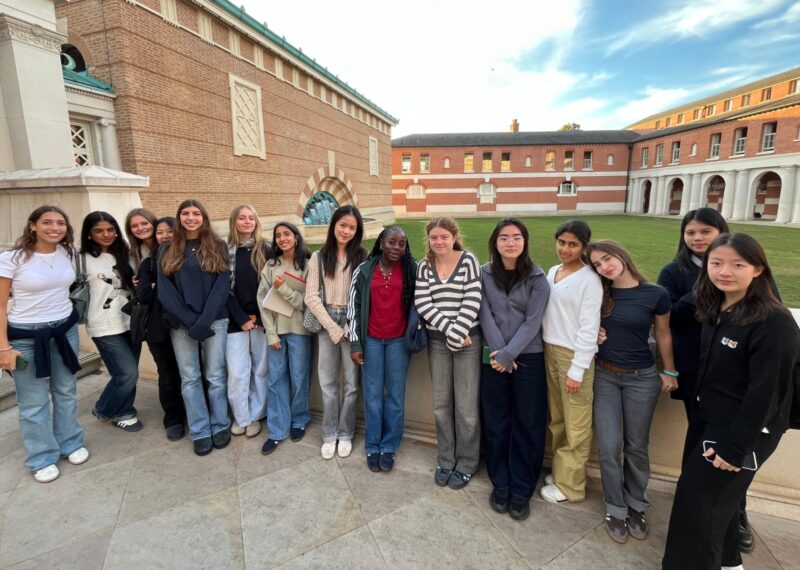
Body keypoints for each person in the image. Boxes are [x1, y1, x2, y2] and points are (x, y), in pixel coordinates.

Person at [662, 233, 800, 570]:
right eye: (716, 263)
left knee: (699, 506)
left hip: (741, 432)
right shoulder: (717, 306)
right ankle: (728, 562)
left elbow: (767, 392)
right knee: (717, 503)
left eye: (738, 264)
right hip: (708, 419)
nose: (725, 271)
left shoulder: (774, 322)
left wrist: (735, 447)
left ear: (757, 269)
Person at [656, 208, 756, 553]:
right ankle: (692, 503)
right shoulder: (674, 272)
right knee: (698, 439)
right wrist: (702, 288)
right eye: (691, 233)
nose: (697, 238)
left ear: (721, 232)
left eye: (705, 232)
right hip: (695, 371)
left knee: (732, 446)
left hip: (733, 374)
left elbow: (760, 313)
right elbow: (666, 315)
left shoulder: (743, 266)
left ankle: (736, 514)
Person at [586, 240, 677, 544]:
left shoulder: (655, 294)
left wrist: (670, 370)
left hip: (642, 379)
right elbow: (581, 323)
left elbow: (663, 334)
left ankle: (637, 503)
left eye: (607, 259)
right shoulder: (601, 294)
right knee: (609, 446)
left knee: (636, 444)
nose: (604, 267)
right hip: (605, 376)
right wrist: (594, 333)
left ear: (622, 255)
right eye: (597, 264)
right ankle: (615, 505)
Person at [0, 206, 88, 483]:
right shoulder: (11, 259)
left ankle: (70, 442)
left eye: (60, 222)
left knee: (66, 389)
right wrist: (3, 347)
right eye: (47, 222)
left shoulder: (67, 253)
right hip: (24, 337)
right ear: (33, 225)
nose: (55, 227)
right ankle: (41, 456)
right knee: (33, 400)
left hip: (63, 331)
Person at [479, 218, 549, 520]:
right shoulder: (483, 274)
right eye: (504, 237)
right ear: (495, 242)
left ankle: (522, 486)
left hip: (528, 358)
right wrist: (500, 354)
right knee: (496, 420)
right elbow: (484, 313)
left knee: (528, 422)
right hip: (493, 357)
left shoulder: (537, 278)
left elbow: (533, 321)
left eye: (516, 237)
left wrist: (510, 354)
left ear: (525, 242)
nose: (510, 243)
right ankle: (501, 482)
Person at [158, 199, 231, 456]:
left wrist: (204, 321)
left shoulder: (217, 246)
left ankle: (220, 423)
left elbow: (222, 286)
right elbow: (165, 292)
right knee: (190, 378)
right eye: (185, 213)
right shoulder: (167, 249)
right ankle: (200, 429)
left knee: (215, 376)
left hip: (215, 322)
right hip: (181, 325)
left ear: (204, 217)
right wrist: (191, 322)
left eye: (196, 213)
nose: (191, 218)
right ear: (179, 218)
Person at [415, 217, 482, 490]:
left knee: (466, 407)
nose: (439, 241)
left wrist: (458, 333)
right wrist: (452, 332)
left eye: (444, 236)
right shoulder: (424, 266)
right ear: (428, 240)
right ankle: (446, 458)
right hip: (439, 342)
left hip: (469, 342)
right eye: (434, 238)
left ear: (454, 237)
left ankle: (467, 461)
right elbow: (423, 302)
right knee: (441, 405)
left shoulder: (468, 261)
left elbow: (473, 298)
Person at [540, 220, 603, 506]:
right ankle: (561, 472)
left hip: (573, 356)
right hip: (549, 350)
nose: (565, 249)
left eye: (573, 244)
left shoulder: (589, 279)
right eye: (562, 242)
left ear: (584, 247)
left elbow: (590, 327)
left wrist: (577, 369)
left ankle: (572, 486)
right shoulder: (553, 271)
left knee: (576, 424)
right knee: (558, 419)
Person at [348, 226, 417, 472]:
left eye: (402, 243)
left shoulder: (411, 269)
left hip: (399, 342)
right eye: (392, 242)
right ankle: (372, 444)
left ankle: (389, 445)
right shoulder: (364, 270)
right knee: (373, 396)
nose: (397, 247)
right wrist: (355, 343)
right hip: (372, 342)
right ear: (381, 243)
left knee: (395, 397)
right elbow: (353, 308)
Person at [304, 205, 367, 460]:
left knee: (352, 384)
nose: (347, 231)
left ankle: (346, 432)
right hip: (326, 318)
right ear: (333, 225)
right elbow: (310, 296)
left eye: (352, 227)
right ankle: (329, 433)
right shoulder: (319, 257)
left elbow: (364, 297)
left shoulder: (362, 257)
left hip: (353, 321)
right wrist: (333, 327)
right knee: (328, 383)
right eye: (343, 225)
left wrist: (350, 328)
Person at [81, 211, 143, 432]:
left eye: (110, 229)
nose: (106, 234)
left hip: (131, 320)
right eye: (98, 230)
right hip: (103, 324)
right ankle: (104, 408)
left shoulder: (126, 253)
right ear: (89, 234)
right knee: (127, 373)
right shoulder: (81, 258)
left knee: (128, 371)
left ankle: (125, 412)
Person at [258, 222, 312, 455]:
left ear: (296, 237)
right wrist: (271, 333)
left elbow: (307, 304)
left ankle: (299, 419)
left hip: (300, 331)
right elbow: (263, 302)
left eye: (286, 234)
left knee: (300, 378)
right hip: (277, 332)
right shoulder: (271, 266)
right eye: (278, 235)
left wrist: (284, 290)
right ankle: (277, 430)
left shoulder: (308, 266)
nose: (282, 239)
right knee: (276, 380)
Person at [135, 216, 186, 441]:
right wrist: (164, 287)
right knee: (167, 374)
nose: (164, 236)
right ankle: (173, 418)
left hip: (185, 325)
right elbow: (143, 294)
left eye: (169, 231)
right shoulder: (149, 263)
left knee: (192, 372)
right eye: (159, 232)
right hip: (158, 328)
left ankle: (194, 411)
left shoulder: (188, 258)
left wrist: (159, 286)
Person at [225, 205, 269, 438]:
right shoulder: (226, 250)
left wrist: (260, 317)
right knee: (238, 372)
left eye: (251, 218)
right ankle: (240, 417)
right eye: (242, 218)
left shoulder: (266, 249)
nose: (247, 222)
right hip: (235, 321)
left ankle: (255, 415)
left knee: (261, 370)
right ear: (234, 221)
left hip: (262, 321)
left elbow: (272, 286)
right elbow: (223, 288)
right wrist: (241, 318)